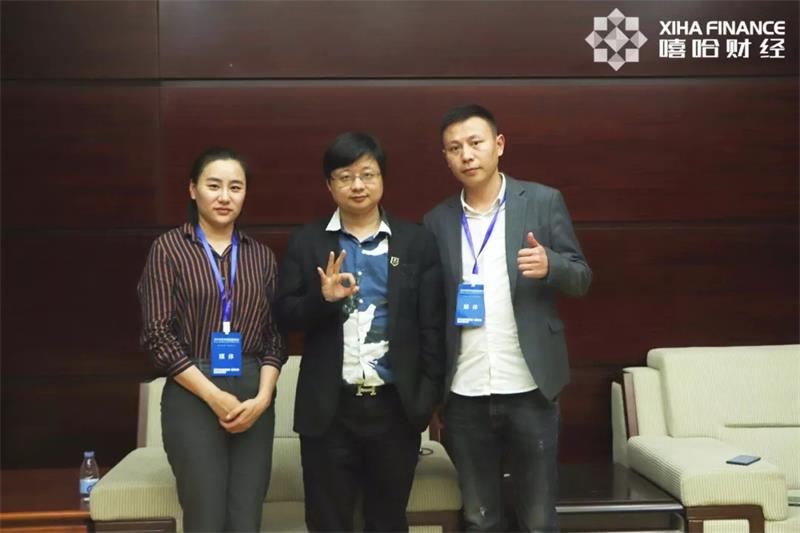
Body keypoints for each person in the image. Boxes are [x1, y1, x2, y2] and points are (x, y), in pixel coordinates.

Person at [424, 104, 592, 532]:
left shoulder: (542, 201)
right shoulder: (436, 221)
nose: (466, 155)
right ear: (445, 158)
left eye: (475, 143)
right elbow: (431, 310)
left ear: (498, 145)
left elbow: (581, 277)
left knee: (537, 519)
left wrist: (551, 265)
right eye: (454, 148)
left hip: (530, 386)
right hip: (465, 391)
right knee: (479, 518)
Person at [276, 132, 444, 532]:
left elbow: (432, 327)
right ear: (329, 185)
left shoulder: (416, 242)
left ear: (382, 178)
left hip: (395, 408)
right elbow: (284, 315)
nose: (357, 185)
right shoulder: (307, 241)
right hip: (329, 410)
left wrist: (424, 401)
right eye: (345, 176)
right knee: (328, 523)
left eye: (367, 174)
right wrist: (323, 299)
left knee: (387, 522)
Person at [137, 147, 286, 532]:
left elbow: (275, 336)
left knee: (247, 517)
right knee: (205, 516)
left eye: (235, 187)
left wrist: (263, 399)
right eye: (213, 185)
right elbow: (158, 336)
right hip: (193, 391)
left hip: (253, 394)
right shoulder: (168, 249)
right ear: (193, 189)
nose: (224, 196)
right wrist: (214, 396)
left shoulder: (261, 257)